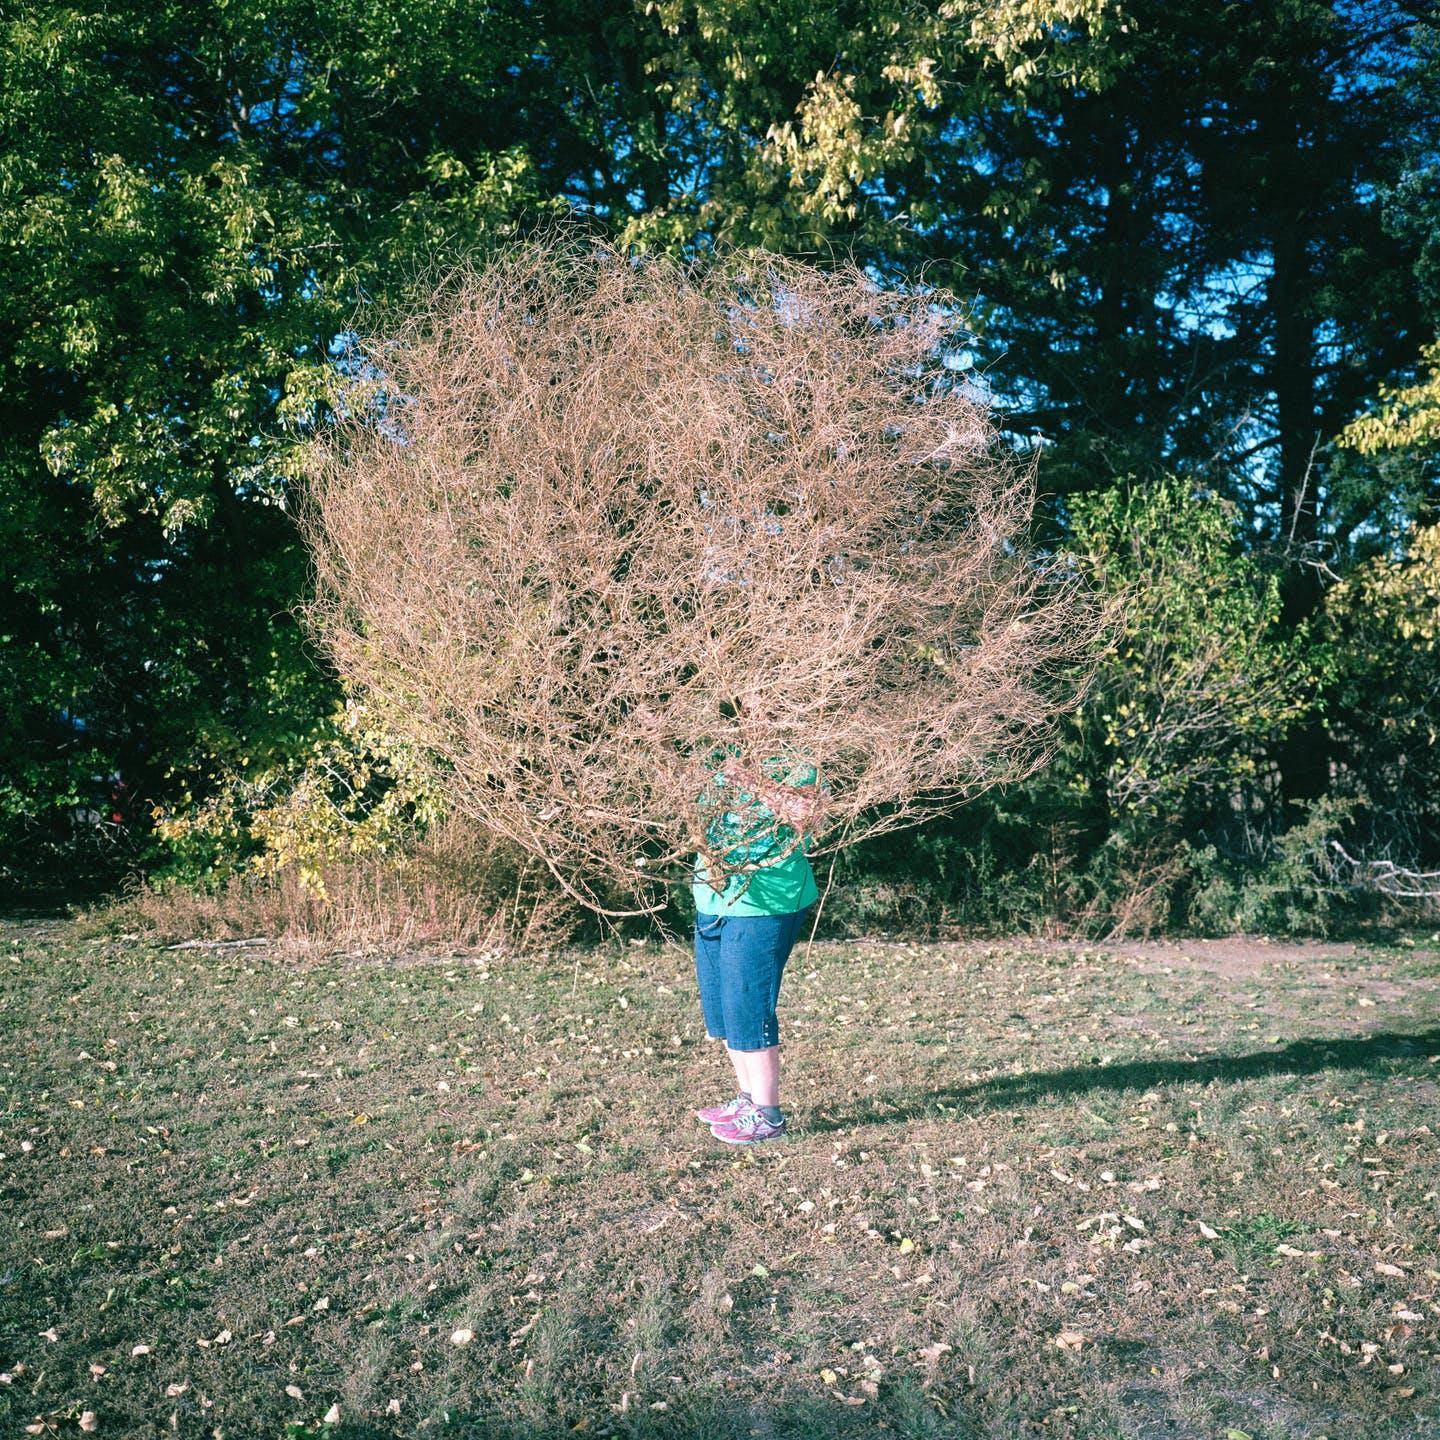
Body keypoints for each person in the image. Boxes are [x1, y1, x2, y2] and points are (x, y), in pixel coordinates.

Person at [691, 734, 828, 1145]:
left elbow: (808, 816)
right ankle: (748, 1100)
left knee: (749, 1004)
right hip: (715, 895)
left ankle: (769, 1115)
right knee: (725, 1008)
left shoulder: (797, 758)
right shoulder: (715, 748)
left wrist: (747, 778)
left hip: (767, 900)